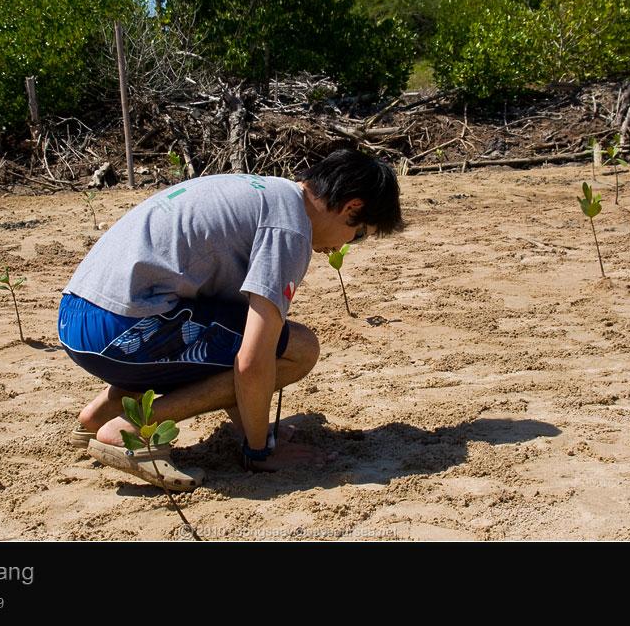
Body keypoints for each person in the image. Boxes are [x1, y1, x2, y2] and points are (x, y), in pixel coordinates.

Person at [58, 148, 403, 489]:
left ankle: (97, 415)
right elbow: (251, 360)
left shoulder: (267, 191)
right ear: (352, 207)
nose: (344, 246)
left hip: (77, 320)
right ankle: (131, 430)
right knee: (297, 348)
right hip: (119, 331)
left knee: (225, 332)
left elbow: (226, 338)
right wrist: (260, 449)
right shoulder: (291, 229)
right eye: (358, 235)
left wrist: (254, 422)